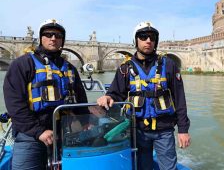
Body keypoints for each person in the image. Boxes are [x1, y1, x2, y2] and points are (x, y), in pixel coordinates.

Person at [97, 21, 191, 170]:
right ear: (135, 40)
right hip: (138, 130)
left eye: (152, 37)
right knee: (142, 167)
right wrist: (108, 97)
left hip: (164, 130)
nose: (148, 40)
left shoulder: (169, 65)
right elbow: (115, 93)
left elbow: (179, 99)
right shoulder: (124, 69)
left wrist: (183, 129)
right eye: (143, 36)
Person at [3, 19, 88, 170]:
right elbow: (15, 104)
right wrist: (38, 131)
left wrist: (86, 121)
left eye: (58, 35)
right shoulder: (22, 64)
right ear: (41, 37)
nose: (53, 38)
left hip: (65, 134)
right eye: (48, 34)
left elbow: (81, 98)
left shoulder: (70, 68)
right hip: (30, 136)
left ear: (62, 39)